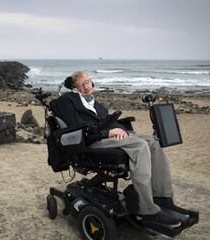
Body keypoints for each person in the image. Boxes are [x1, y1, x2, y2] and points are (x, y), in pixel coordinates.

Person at [56, 71, 181, 227]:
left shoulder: (95, 104)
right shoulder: (68, 101)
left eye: (89, 82)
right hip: (91, 141)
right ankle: (146, 209)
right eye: (83, 84)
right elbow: (77, 126)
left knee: (153, 142)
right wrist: (107, 132)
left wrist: (121, 130)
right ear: (75, 89)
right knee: (140, 146)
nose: (88, 86)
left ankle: (162, 197)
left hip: (106, 136)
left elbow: (108, 120)